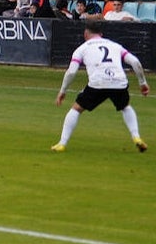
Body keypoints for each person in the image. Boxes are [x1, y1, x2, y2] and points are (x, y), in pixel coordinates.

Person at [51, 23, 149, 152]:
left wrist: (63, 91)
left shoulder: (82, 48)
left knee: (76, 109)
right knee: (125, 107)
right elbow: (135, 62)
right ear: (101, 34)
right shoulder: (115, 45)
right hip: (119, 82)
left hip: (98, 83)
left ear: (85, 34)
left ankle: (62, 144)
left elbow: (71, 72)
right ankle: (136, 137)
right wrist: (142, 83)